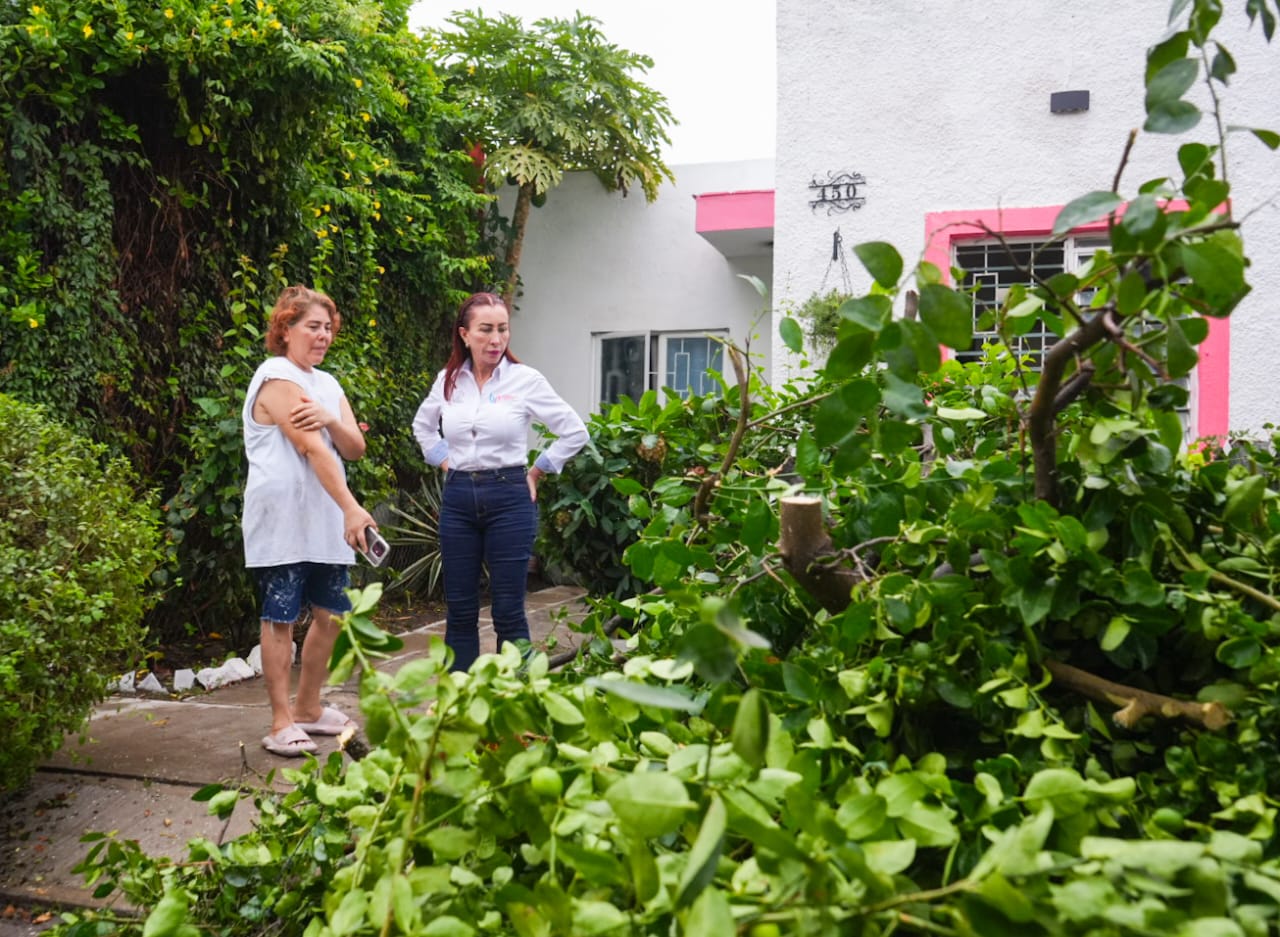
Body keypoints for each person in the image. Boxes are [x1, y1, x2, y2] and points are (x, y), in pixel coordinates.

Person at [413, 292, 587, 672]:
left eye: (503, 329)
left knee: (509, 609)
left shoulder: (525, 380)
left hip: (510, 496)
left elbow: (574, 431)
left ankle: (513, 704)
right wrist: (444, 461)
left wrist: (539, 468)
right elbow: (423, 427)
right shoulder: (448, 381)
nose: (496, 339)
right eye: (486, 330)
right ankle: (458, 705)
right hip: (458, 498)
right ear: (465, 334)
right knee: (460, 610)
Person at [242, 285, 377, 756]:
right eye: (312, 327)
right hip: (283, 519)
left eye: (327, 328)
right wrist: (352, 506)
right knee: (280, 616)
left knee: (333, 615)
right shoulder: (276, 376)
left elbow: (353, 448)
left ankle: (308, 707)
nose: (322, 336)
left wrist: (330, 416)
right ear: (285, 329)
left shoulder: (328, 384)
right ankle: (280, 721)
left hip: (326, 517)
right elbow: (313, 447)